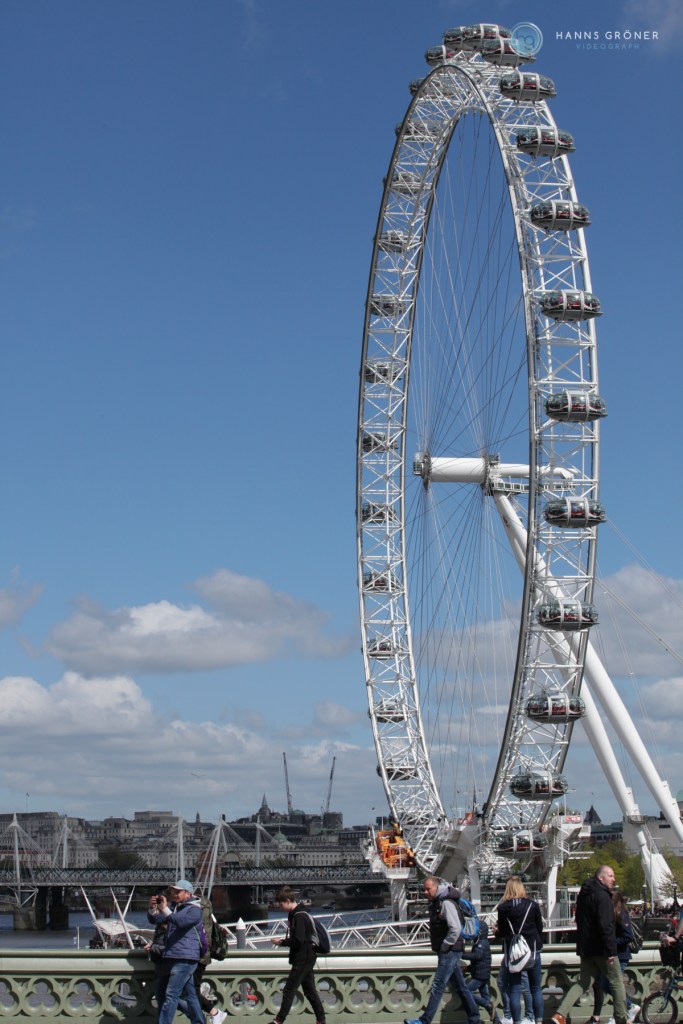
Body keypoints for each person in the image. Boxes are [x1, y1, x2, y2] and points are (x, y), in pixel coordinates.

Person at [552, 865, 628, 1024]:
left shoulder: (583, 895)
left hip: (586, 948)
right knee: (617, 982)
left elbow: (581, 921)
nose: (614, 879)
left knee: (584, 982)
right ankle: (622, 1019)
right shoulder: (603, 896)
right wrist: (611, 950)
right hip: (602, 948)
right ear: (601, 878)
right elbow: (606, 925)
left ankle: (560, 1015)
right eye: (611, 876)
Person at [404, 875, 482, 1024]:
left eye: (428, 889)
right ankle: (475, 1018)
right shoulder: (439, 901)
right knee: (460, 987)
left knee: (438, 985)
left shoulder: (445, 902)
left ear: (437, 887)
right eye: (424, 889)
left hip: (450, 950)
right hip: (450, 949)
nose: (425, 892)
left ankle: (425, 1020)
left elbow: (456, 928)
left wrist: (446, 944)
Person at [149, 878, 206, 1024]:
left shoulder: (194, 910)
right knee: (191, 995)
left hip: (185, 957)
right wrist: (153, 908)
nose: (174, 894)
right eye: (174, 891)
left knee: (171, 994)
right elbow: (157, 919)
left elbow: (180, 921)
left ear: (188, 893)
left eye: (178, 891)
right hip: (175, 956)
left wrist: (166, 909)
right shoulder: (176, 908)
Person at [269, 885, 326, 1024]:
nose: (280, 907)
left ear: (288, 901)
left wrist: (282, 942)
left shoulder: (299, 916)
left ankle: (278, 1021)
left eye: (281, 904)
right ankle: (321, 1020)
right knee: (310, 991)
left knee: (289, 989)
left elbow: (299, 940)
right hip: (308, 956)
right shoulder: (301, 913)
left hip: (303, 958)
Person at [496, 876, 544, 1024]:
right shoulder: (532, 905)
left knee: (515, 990)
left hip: (514, 953)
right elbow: (539, 927)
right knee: (536, 988)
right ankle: (538, 1020)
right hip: (533, 950)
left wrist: (498, 932)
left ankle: (516, 1021)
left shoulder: (503, 908)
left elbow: (503, 932)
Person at [592, 891, 639, 1024]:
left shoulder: (621, 914)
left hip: (621, 955)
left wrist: (611, 941)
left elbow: (628, 936)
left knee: (614, 986)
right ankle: (628, 1007)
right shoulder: (611, 913)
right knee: (606, 985)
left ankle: (622, 1012)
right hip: (611, 955)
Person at [461, 920, 494, 1017]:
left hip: (480, 975)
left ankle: (486, 1005)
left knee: (466, 992)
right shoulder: (483, 942)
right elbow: (480, 961)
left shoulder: (481, 943)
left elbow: (477, 956)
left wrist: (463, 955)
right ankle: (496, 1020)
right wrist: (468, 968)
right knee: (486, 997)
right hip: (483, 974)